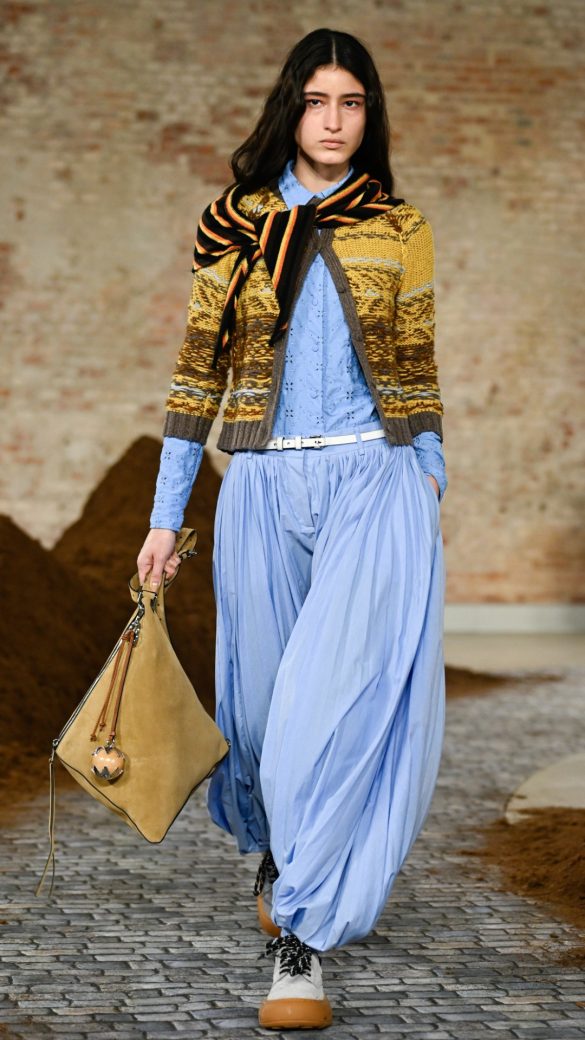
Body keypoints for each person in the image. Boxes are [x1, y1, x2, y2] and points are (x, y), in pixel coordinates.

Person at [137, 27, 447, 1032]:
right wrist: (166, 514)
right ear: (291, 108)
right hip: (262, 484)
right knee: (268, 719)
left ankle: (299, 947)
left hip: (372, 481)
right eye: (317, 100)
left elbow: (416, 363)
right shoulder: (232, 224)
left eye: (352, 102)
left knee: (329, 709)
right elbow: (197, 374)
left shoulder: (399, 226)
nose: (334, 120)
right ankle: (284, 862)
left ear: (369, 115)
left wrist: (428, 480)